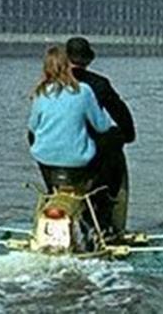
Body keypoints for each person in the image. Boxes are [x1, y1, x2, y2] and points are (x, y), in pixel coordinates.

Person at [65, 36, 136, 233]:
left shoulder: (50, 84)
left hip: (50, 157)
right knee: (112, 150)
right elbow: (116, 114)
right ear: (88, 60)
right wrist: (127, 135)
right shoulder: (97, 84)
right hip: (87, 153)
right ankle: (105, 211)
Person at [26, 46, 114, 195]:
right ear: (69, 66)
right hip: (78, 159)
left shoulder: (41, 93)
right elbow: (102, 126)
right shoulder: (84, 91)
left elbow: (32, 127)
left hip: (45, 158)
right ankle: (102, 198)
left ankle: (50, 192)